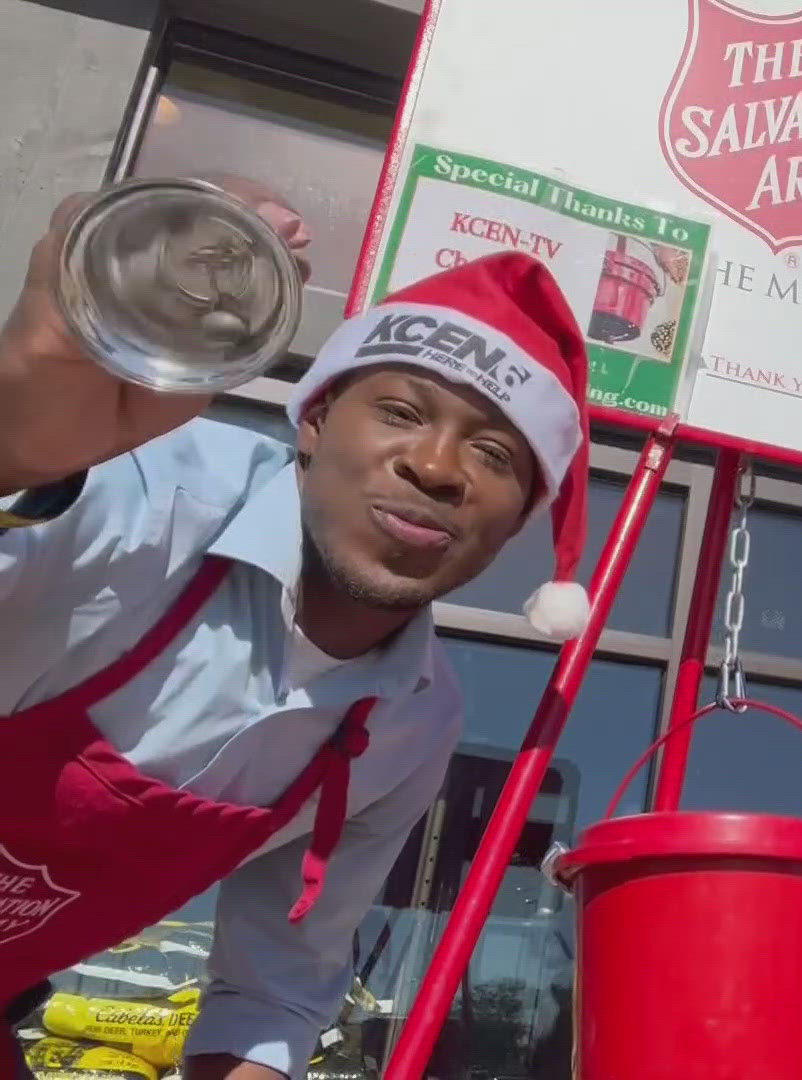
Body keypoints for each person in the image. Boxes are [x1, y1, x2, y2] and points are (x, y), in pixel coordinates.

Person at [0, 179, 600, 1080]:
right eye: (401, 412)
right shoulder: (134, 496)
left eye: (493, 454)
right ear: (313, 421)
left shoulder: (413, 724)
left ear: (518, 521)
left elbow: (276, 989)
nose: (436, 467)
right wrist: (16, 449)